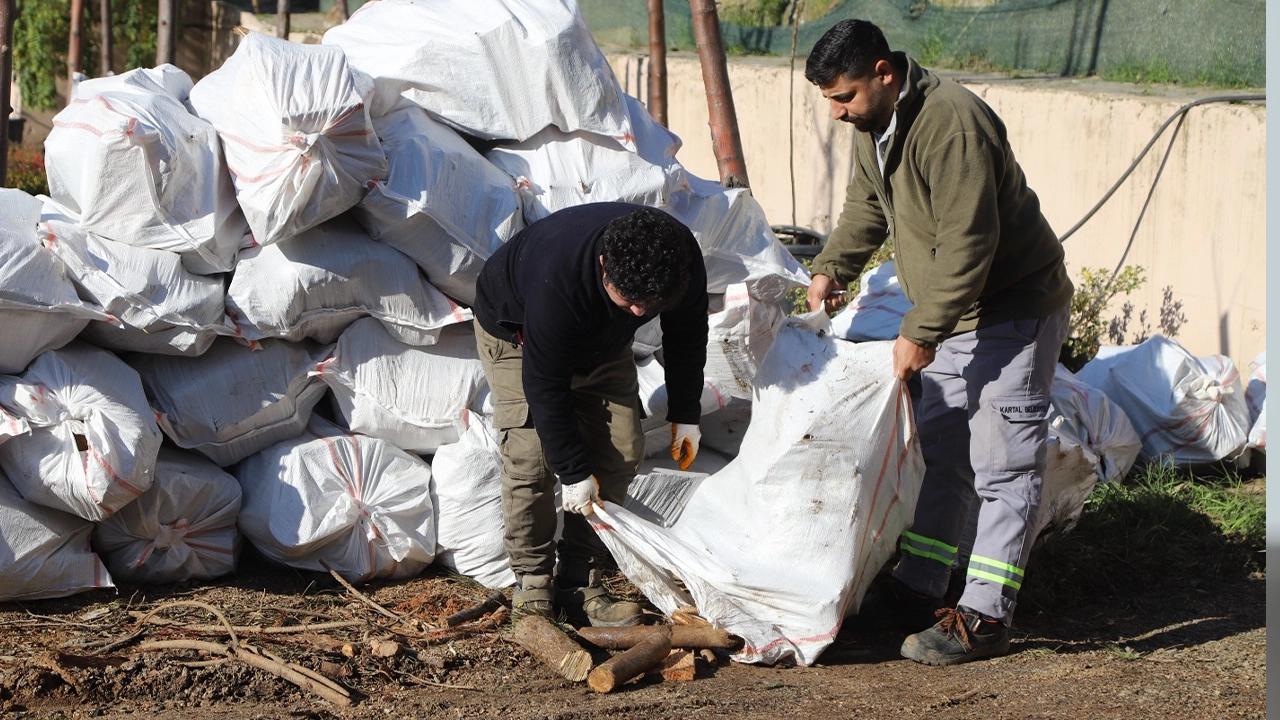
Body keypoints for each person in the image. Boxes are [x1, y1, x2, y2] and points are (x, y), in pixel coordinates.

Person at [803, 19, 1074, 665]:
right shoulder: (879, 128)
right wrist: (831, 268)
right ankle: (921, 584)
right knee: (946, 453)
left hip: (1011, 308)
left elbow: (969, 242)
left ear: (884, 74)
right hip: (956, 311)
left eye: (845, 97)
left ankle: (985, 615)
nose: (838, 113)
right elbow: (868, 207)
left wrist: (921, 331)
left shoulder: (952, 123)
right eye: (830, 102)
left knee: (1003, 463)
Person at [472, 202, 709, 627]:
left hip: (602, 339)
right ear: (603, 264)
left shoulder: (679, 260)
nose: (639, 312)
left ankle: (580, 580)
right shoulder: (557, 283)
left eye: (649, 303)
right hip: (518, 333)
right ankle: (534, 583)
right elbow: (545, 388)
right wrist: (573, 471)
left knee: (622, 449)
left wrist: (686, 413)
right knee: (531, 457)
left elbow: (687, 335)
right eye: (629, 299)